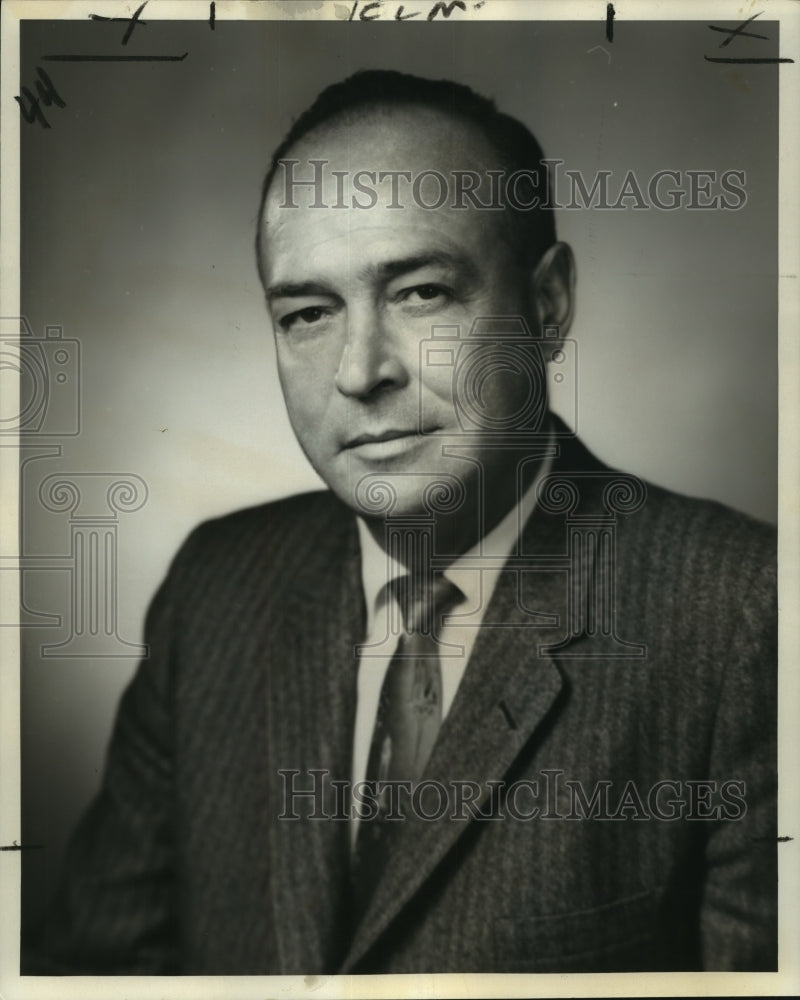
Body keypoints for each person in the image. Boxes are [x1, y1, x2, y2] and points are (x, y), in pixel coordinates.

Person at [31, 70, 777, 975]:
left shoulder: (745, 612)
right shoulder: (214, 587)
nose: (358, 371)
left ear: (547, 308)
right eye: (307, 313)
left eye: (421, 292)